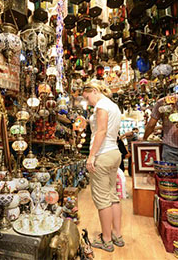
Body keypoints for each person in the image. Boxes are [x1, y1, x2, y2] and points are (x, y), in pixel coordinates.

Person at [82, 82, 124, 252]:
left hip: (103, 155)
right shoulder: (113, 106)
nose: (88, 101)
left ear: (94, 91)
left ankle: (106, 240)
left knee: (102, 199)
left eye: (87, 97)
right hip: (114, 153)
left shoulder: (101, 105)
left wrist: (91, 156)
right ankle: (117, 235)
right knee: (112, 195)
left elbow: (101, 131)